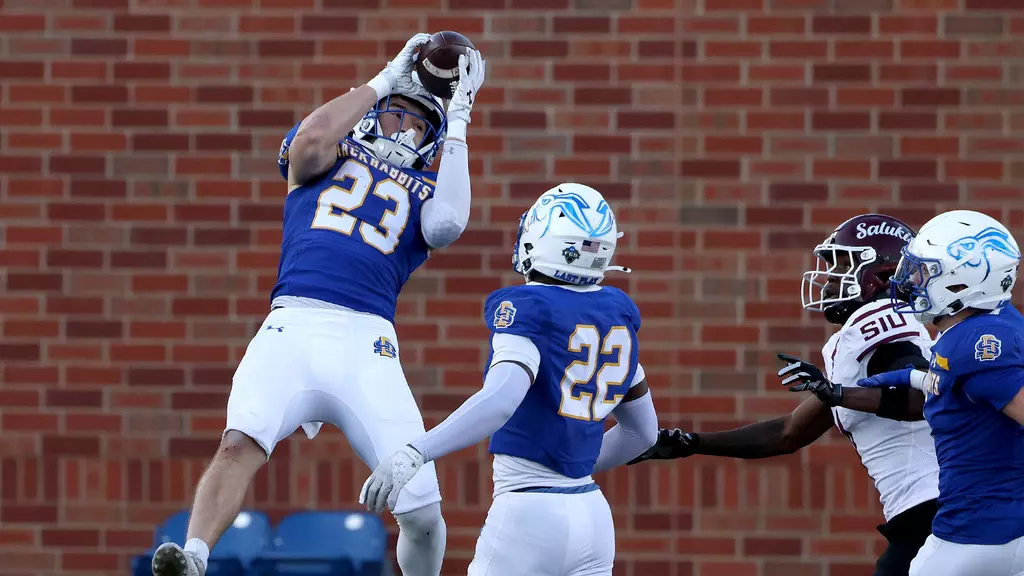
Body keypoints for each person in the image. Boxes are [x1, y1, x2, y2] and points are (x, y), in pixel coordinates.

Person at [150, 33, 486, 576]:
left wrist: (462, 115)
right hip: (293, 325)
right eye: (396, 115)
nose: (404, 129)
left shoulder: (429, 189)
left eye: (419, 124)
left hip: (367, 343)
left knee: (422, 509)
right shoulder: (328, 152)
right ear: (375, 115)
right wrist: (381, 79)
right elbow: (310, 137)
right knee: (240, 440)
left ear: (432, 139)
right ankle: (193, 558)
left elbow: (448, 224)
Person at [359, 183, 658, 575]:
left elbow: (501, 400)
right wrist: (572, 461)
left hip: (529, 515)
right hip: (592, 517)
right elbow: (644, 434)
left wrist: (416, 451)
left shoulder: (528, 306)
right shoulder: (617, 312)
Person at [630, 214, 940, 576]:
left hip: (932, 511)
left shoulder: (879, 321)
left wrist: (837, 393)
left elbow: (921, 397)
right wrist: (693, 442)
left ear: (884, 275)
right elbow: (788, 433)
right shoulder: (865, 344)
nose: (828, 280)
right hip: (929, 512)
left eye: (844, 266)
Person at [850, 210, 1024, 575]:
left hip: (976, 536)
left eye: (926, 271)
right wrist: (907, 378)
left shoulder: (972, 340)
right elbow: (961, 385)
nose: (912, 281)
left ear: (964, 282)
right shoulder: (997, 322)